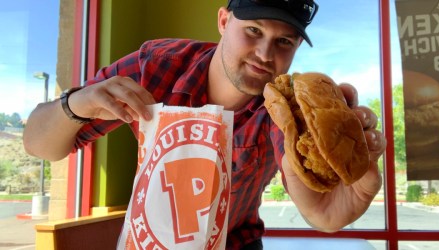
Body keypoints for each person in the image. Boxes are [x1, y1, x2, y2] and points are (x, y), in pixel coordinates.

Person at [23, 0, 386, 249]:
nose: (264, 54)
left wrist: (338, 205)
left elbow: (316, 208)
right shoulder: (158, 66)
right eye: (254, 31)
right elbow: (39, 145)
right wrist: (75, 104)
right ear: (224, 21)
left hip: (237, 243)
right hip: (151, 239)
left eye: (284, 41)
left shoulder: (283, 110)